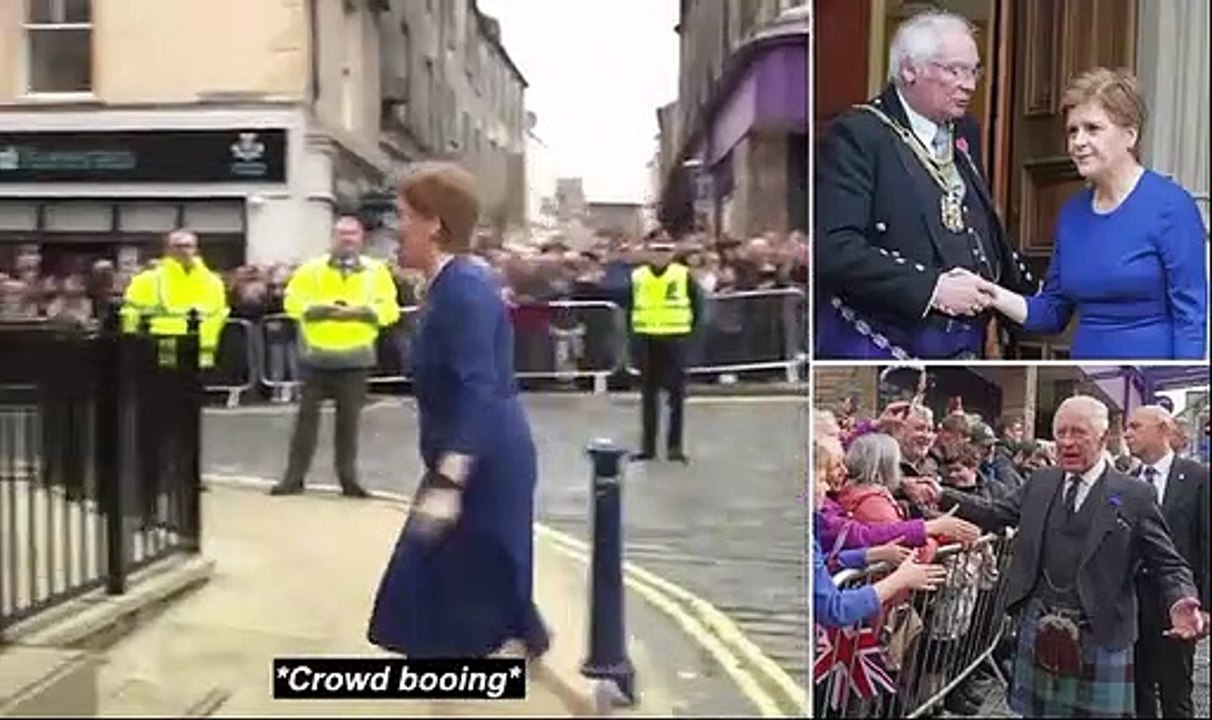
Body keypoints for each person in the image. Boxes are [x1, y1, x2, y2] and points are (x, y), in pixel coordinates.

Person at [915, 395, 1206, 717]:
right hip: (1038, 622)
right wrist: (941, 494)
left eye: (1078, 433)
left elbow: (1168, 562)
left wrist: (1182, 599)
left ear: (1103, 437)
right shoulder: (1040, 481)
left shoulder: (1135, 494)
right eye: (1060, 433)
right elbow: (996, 513)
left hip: (1102, 629)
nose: (1067, 442)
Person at [367, 162, 550, 661]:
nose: (394, 229)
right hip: (471, 454)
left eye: (402, 216)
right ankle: (522, 645)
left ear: (434, 224)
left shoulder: (465, 288)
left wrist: (451, 477)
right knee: (465, 578)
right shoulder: (449, 284)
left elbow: (476, 385)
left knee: (430, 576)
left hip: (482, 459)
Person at [813, 10, 1036, 360]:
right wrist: (932, 290)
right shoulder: (859, 134)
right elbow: (834, 249)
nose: (969, 84)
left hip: (966, 343)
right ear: (908, 69)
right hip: (888, 341)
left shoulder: (966, 132)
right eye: (954, 70)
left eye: (974, 70)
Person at [975, 68, 1208, 359]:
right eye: (1072, 131)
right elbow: (1053, 312)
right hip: (1086, 374)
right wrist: (991, 293)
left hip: (1148, 377)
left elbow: (1191, 319)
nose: (1077, 142)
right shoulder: (1072, 213)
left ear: (1130, 135)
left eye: (1092, 129)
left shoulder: (1172, 207)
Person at [270, 215, 399, 498]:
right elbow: (292, 301)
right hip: (316, 357)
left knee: (349, 425)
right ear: (333, 237)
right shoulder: (312, 270)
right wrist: (317, 309)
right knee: (305, 423)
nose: (347, 239)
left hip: (355, 359)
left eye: (352, 234)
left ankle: (348, 479)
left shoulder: (376, 271)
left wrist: (362, 312)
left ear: (361, 238)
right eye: (341, 234)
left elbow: (390, 310)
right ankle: (293, 478)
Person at [1124, 405, 1210, 718]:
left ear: (1162, 429)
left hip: (1177, 603)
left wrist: (1207, 605)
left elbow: (1206, 541)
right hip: (1132, 605)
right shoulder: (1126, 481)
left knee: (1176, 692)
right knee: (1138, 690)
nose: (1127, 433)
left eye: (1135, 426)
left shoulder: (1198, 477)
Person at [625, 229, 702, 463]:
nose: (661, 255)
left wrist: (689, 335)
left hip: (675, 339)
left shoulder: (683, 275)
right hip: (647, 340)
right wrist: (633, 340)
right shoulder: (638, 276)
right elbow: (630, 309)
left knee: (676, 397)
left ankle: (674, 447)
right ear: (648, 252)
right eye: (657, 250)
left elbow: (696, 306)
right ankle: (648, 448)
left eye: (666, 250)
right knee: (649, 397)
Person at [121, 229, 229, 369]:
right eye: (178, 246)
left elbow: (220, 311)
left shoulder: (212, 281)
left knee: (194, 385)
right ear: (167, 249)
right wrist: (130, 339)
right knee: (167, 379)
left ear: (196, 249)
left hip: (202, 347)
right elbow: (131, 309)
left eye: (188, 246)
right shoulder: (147, 279)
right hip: (163, 342)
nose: (183, 250)